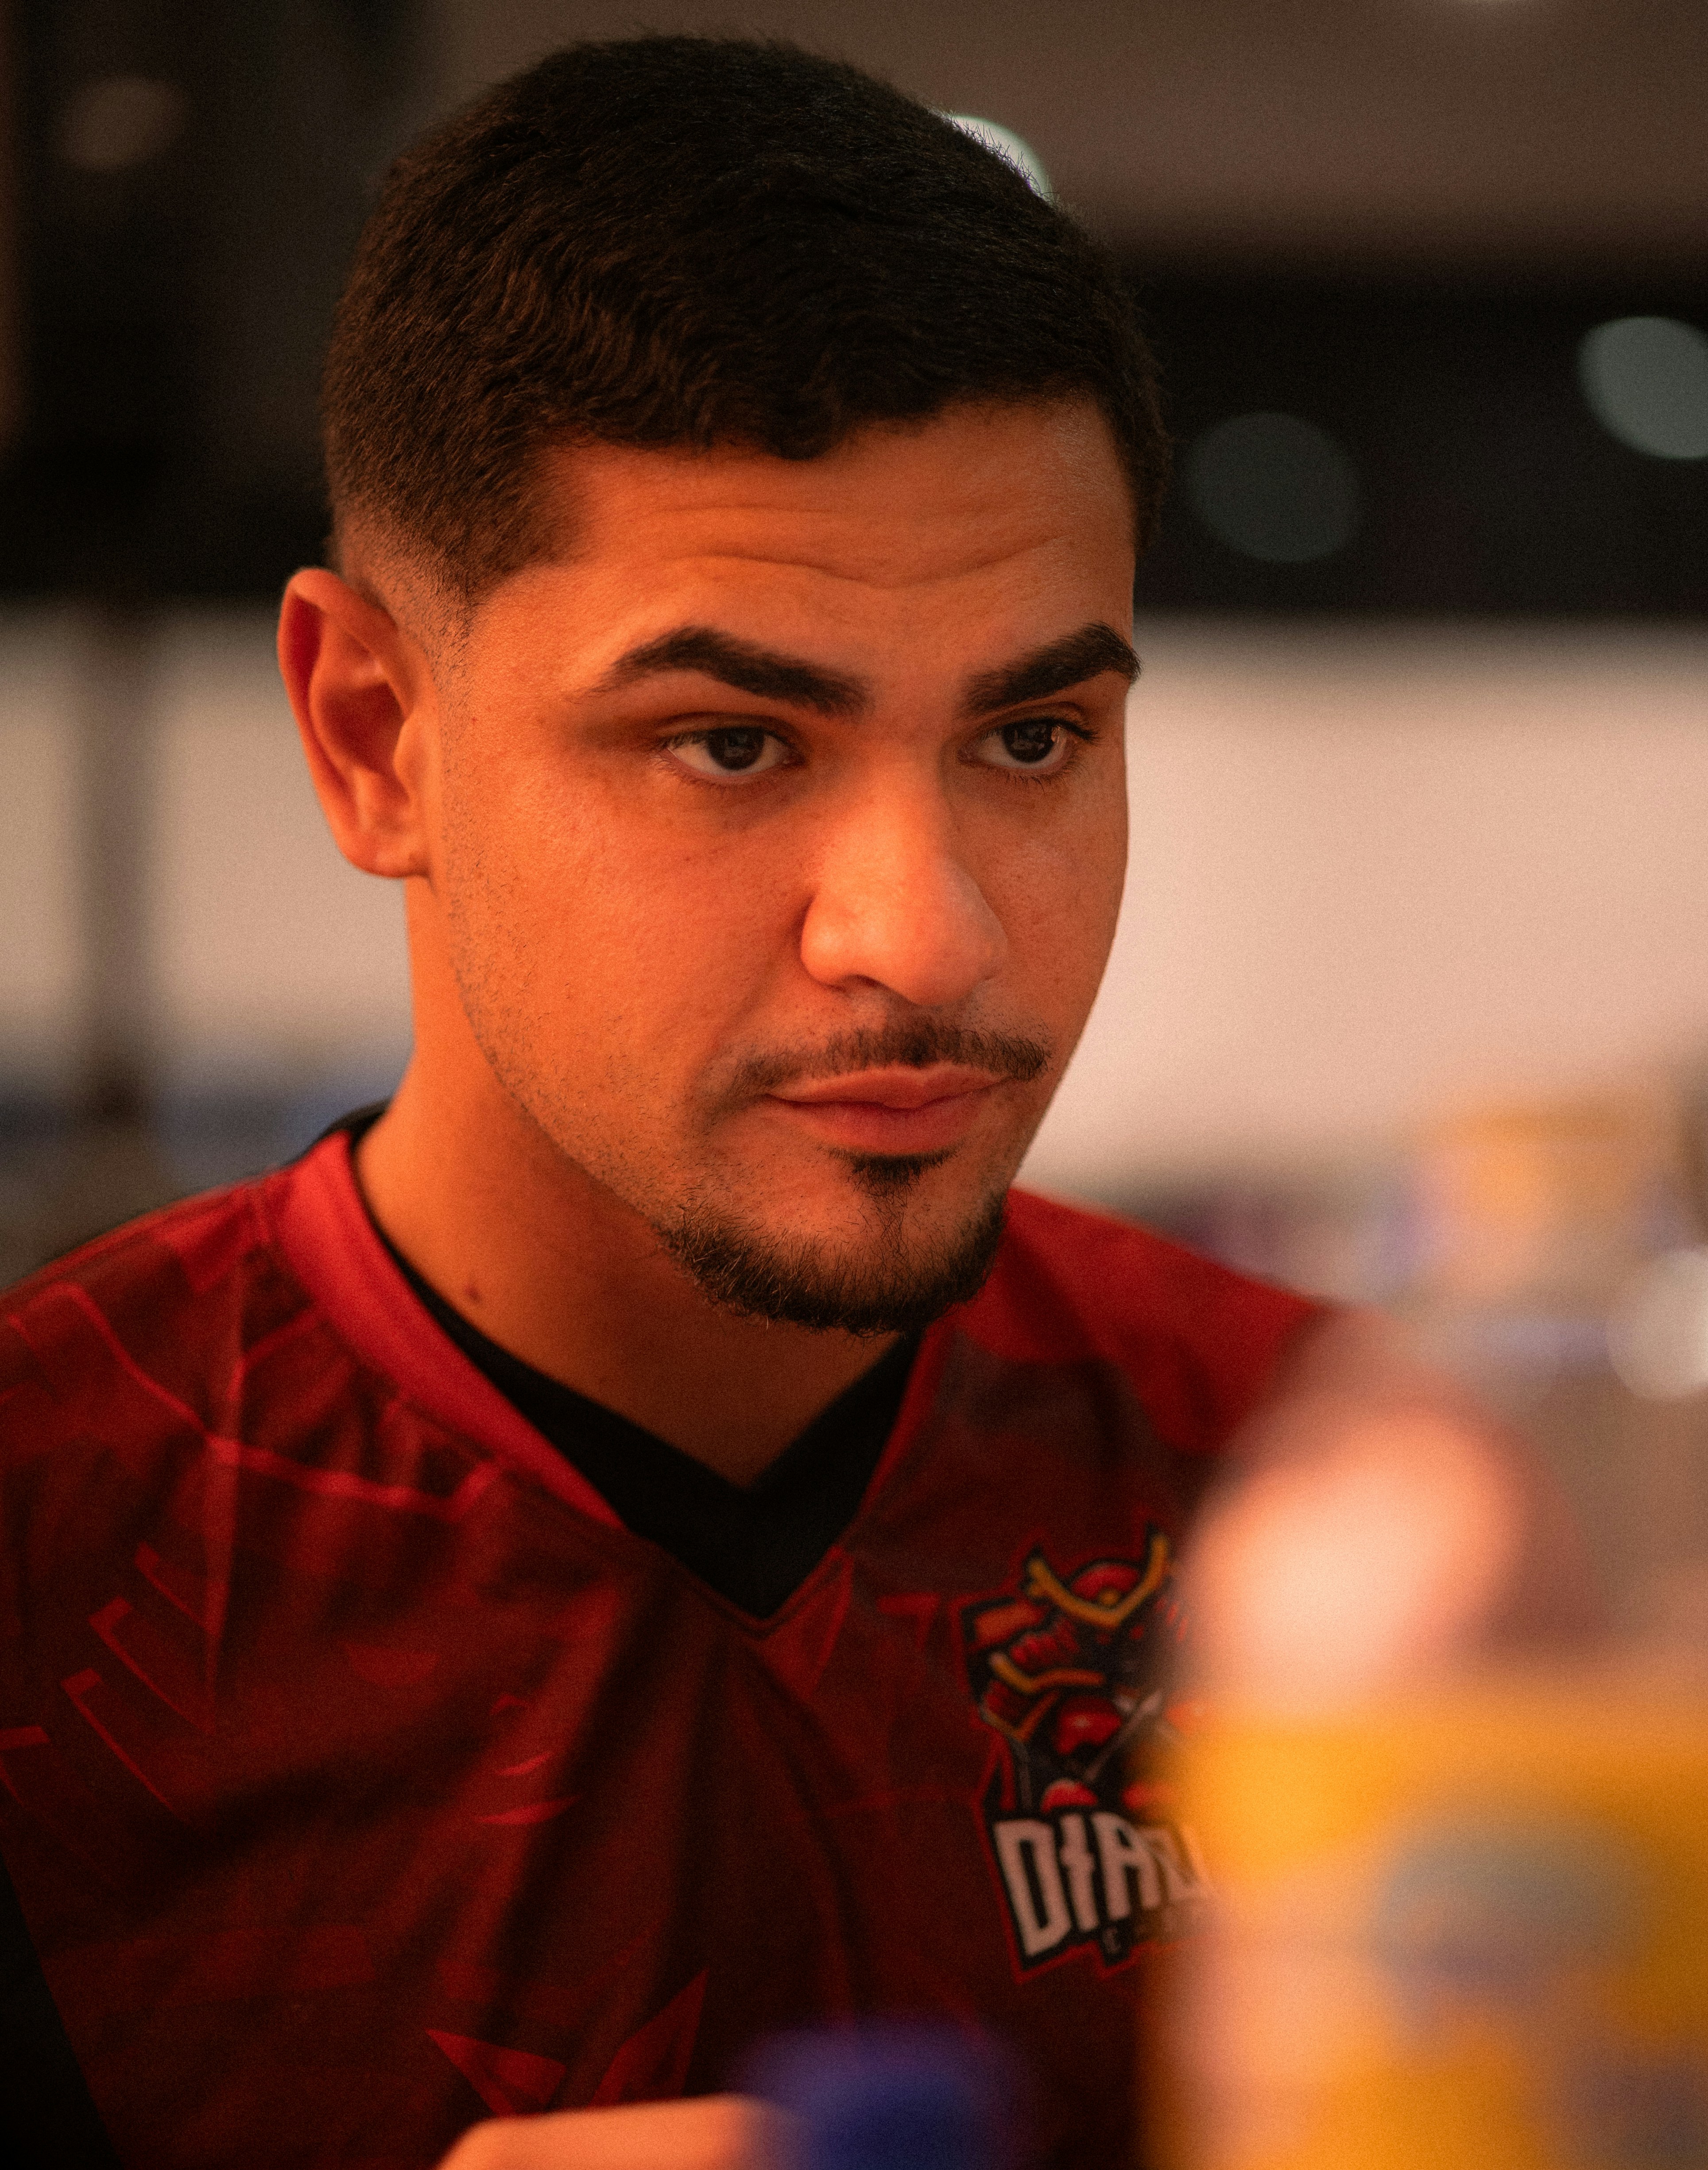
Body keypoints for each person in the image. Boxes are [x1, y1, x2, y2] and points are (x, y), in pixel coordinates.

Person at [0, 35, 1318, 2170]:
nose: (927, 935)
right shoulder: (50, 1565)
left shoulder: (1343, 1508)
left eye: (1031, 740)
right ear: (372, 736)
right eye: (729, 743)